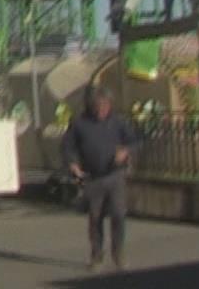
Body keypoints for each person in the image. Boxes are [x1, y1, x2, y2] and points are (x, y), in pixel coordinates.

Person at [61, 86, 141, 271]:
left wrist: (125, 151)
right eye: (98, 106)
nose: (101, 110)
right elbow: (67, 146)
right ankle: (97, 255)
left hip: (115, 174)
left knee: (119, 214)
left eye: (105, 106)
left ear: (110, 105)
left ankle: (118, 253)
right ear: (91, 106)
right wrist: (73, 164)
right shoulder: (80, 123)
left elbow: (135, 140)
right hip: (92, 177)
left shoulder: (118, 121)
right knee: (95, 218)